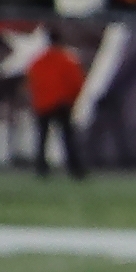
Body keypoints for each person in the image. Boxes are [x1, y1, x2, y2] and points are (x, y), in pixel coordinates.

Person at [21, 22, 89, 178]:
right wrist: (71, 100)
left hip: (43, 104)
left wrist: (38, 100)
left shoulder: (38, 62)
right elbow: (76, 83)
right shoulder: (67, 61)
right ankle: (75, 171)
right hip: (62, 104)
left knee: (42, 139)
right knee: (67, 139)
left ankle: (41, 169)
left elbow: (31, 83)